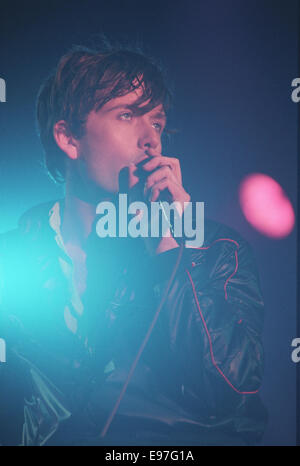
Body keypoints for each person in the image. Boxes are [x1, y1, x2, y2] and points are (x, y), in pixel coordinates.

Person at [0, 42, 267, 446]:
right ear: (69, 138)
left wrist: (171, 248)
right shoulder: (12, 256)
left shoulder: (215, 250)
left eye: (157, 123)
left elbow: (230, 389)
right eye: (127, 115)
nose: (151, 140)